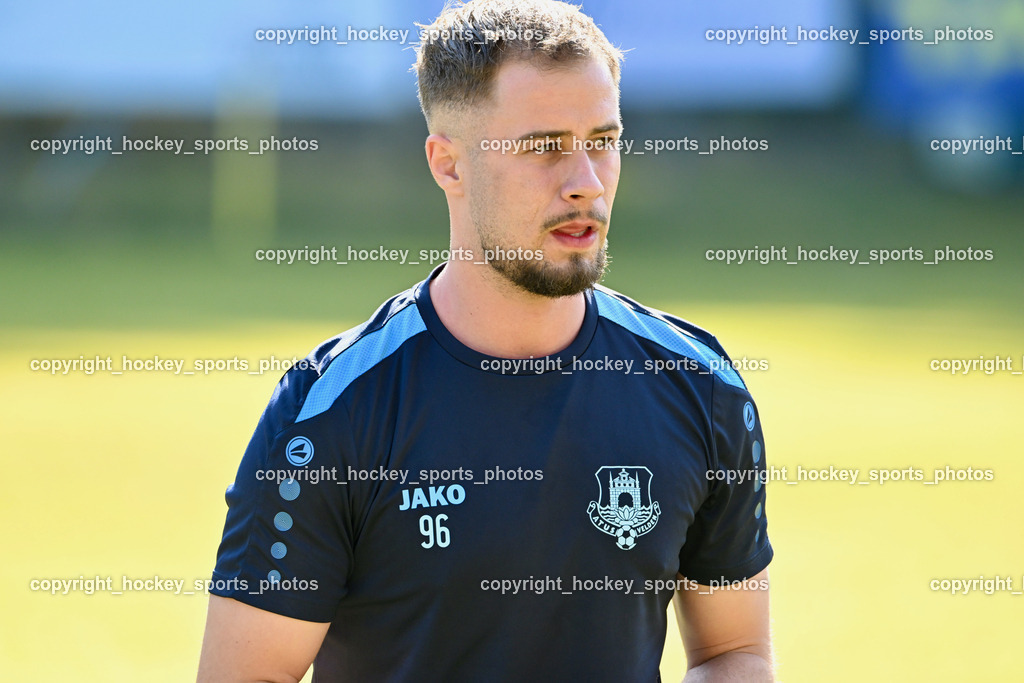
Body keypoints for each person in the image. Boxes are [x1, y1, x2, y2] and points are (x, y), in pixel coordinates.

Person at [198, 0, 773, 680]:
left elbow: (734, 650)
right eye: (545, 147)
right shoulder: (330, 413)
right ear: (449, 165)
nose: (586, 182)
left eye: (603, 140)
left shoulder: (700, 386)